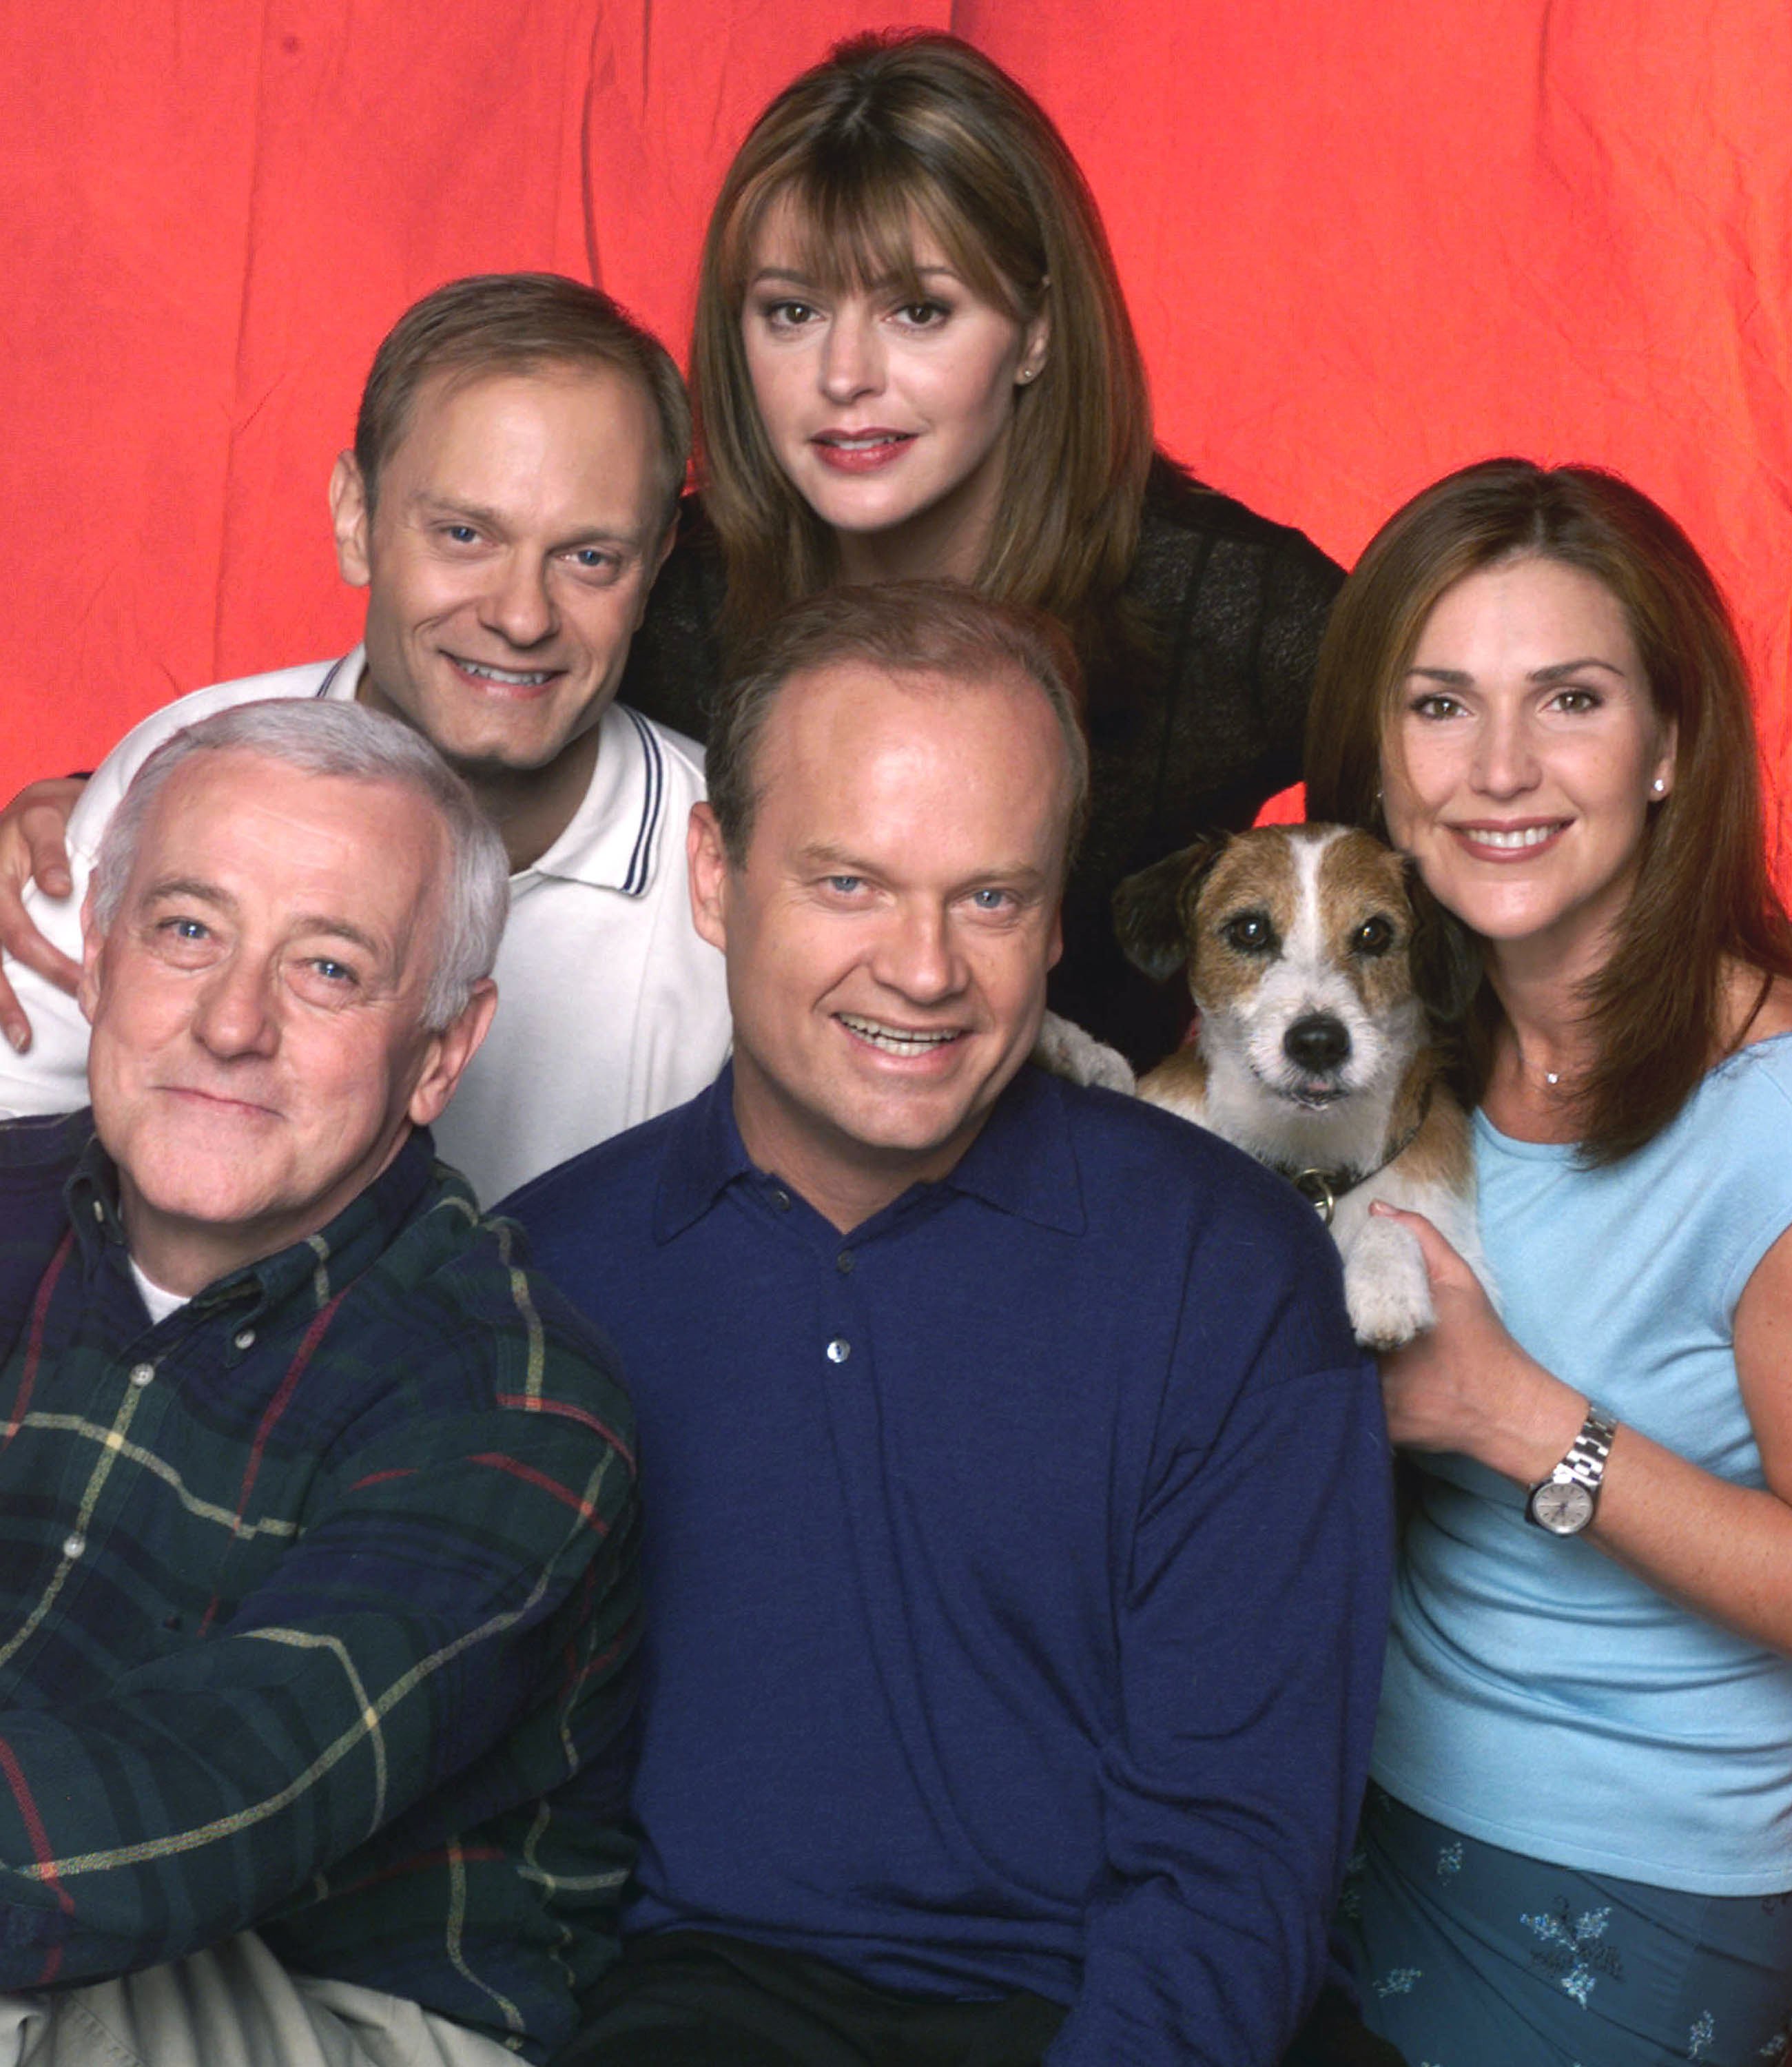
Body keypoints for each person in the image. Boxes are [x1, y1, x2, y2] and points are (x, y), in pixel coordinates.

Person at [504, 581, 1394, 2066]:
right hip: (690, 2013)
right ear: (716, 876)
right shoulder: (546, 1274)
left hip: (1130, 2015)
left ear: (1055, 919)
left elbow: (1236, 1867)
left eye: (989, 896)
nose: (923, 970)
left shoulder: (1227, 1273)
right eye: (848, 883)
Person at [0, 699, 639, 2066]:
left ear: (444, 1056)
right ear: (100, 964)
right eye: (187, 932)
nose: (234, 1021)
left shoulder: (512, 1394)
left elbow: (182, 1812)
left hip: (341, 2011)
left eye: (330, 970)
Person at [1303, 459, 1792, 2063]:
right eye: (1441, 706)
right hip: (1338, 1809)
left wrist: (1518, 1420)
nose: (1498, 768)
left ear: (1670, 746)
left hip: (1623, 1882)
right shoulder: (1386, 1050)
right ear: (1382, 763)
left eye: (1569, 698)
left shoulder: (1775, 1110)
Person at [616, 28, 1344, 1069]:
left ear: (1036, 330)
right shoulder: (662, 604)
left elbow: (1470, 857)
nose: (843, 373)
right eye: (791, 311)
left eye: (919, 310)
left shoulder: (1230, 606)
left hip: (1112, 1207)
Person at [0, 272, 730, 1202]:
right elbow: (13, 1136)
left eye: (589, 557)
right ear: (357, 519)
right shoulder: (185, 765)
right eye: (465, 534)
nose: (519, 616)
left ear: (656, 563)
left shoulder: (735, 867)